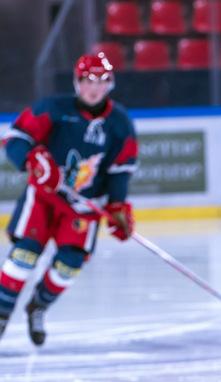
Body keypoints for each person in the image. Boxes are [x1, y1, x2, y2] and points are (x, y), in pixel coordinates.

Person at [0, 52, 137, 345]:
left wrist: (117, 206)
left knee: (68, 265)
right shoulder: (53, 108)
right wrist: (32, 159)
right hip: (43, 198)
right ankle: (1, 314)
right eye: (88, 80)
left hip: (83, 207)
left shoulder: (120, 123)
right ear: (77, 82)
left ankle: (38, 306)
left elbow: (119, 170)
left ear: (110, 83)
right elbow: (15, 139)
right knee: (24, 255)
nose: (94, 88)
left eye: (101, 81)